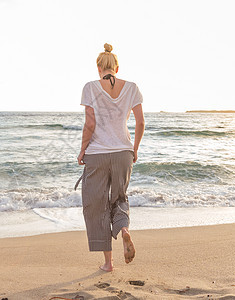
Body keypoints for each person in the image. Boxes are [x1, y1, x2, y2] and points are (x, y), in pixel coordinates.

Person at [77, 43, 145, 272]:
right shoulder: (132, 87)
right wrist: (134, 149)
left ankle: (108, 263)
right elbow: (140, 123)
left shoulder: (90, 87)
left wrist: (82, 149)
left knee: (97, 206)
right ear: (117, 67)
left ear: (98, 67)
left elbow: (90, 124)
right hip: (123, 153)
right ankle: (124, 230)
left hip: (97, 154)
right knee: (119, 198)